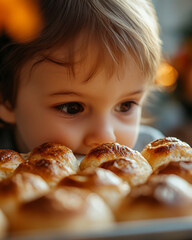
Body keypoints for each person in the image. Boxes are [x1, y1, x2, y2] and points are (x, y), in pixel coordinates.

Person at [0, 0, 163, 155]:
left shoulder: (155, 155)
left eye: (125, 106)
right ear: (6, 99)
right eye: (72, 108)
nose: (105, 137)